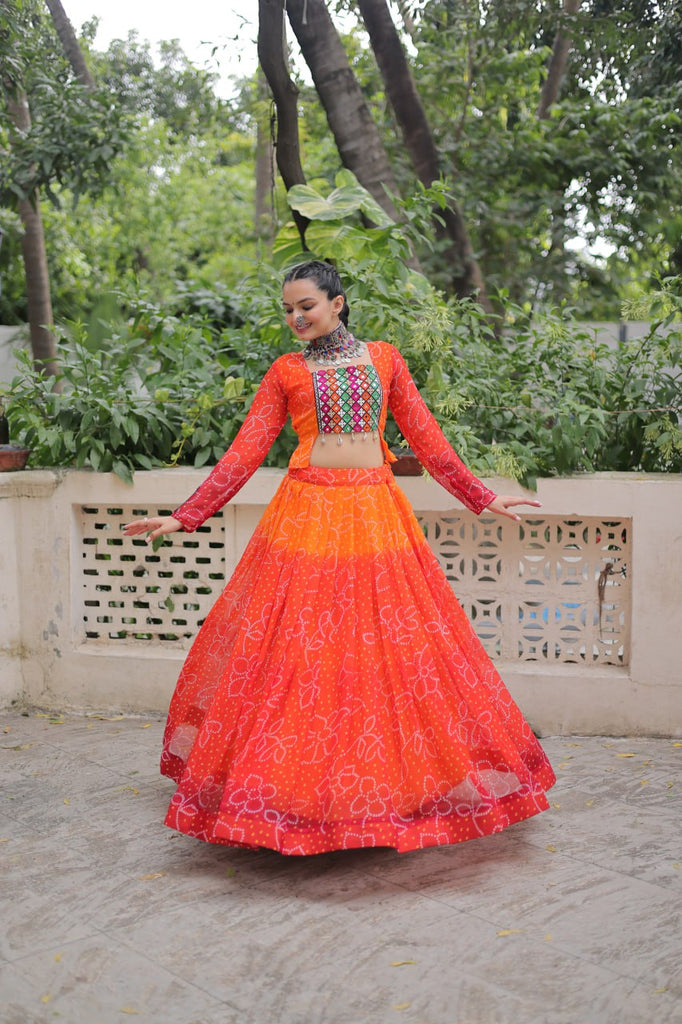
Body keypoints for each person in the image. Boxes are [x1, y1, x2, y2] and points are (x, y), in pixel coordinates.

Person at [124, 260, 555, 855]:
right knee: (301, 656)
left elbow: (427, 438)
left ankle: (386, 792)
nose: (296, 317)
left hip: (375, 515)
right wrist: (184, 515)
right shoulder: (285, 372)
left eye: (306, 305)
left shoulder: (384, 359)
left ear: (338, 303)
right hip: (306, 517)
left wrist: (480, 496)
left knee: (387, 656)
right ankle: (295, 796)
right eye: (288, 309)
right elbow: (244, 453)